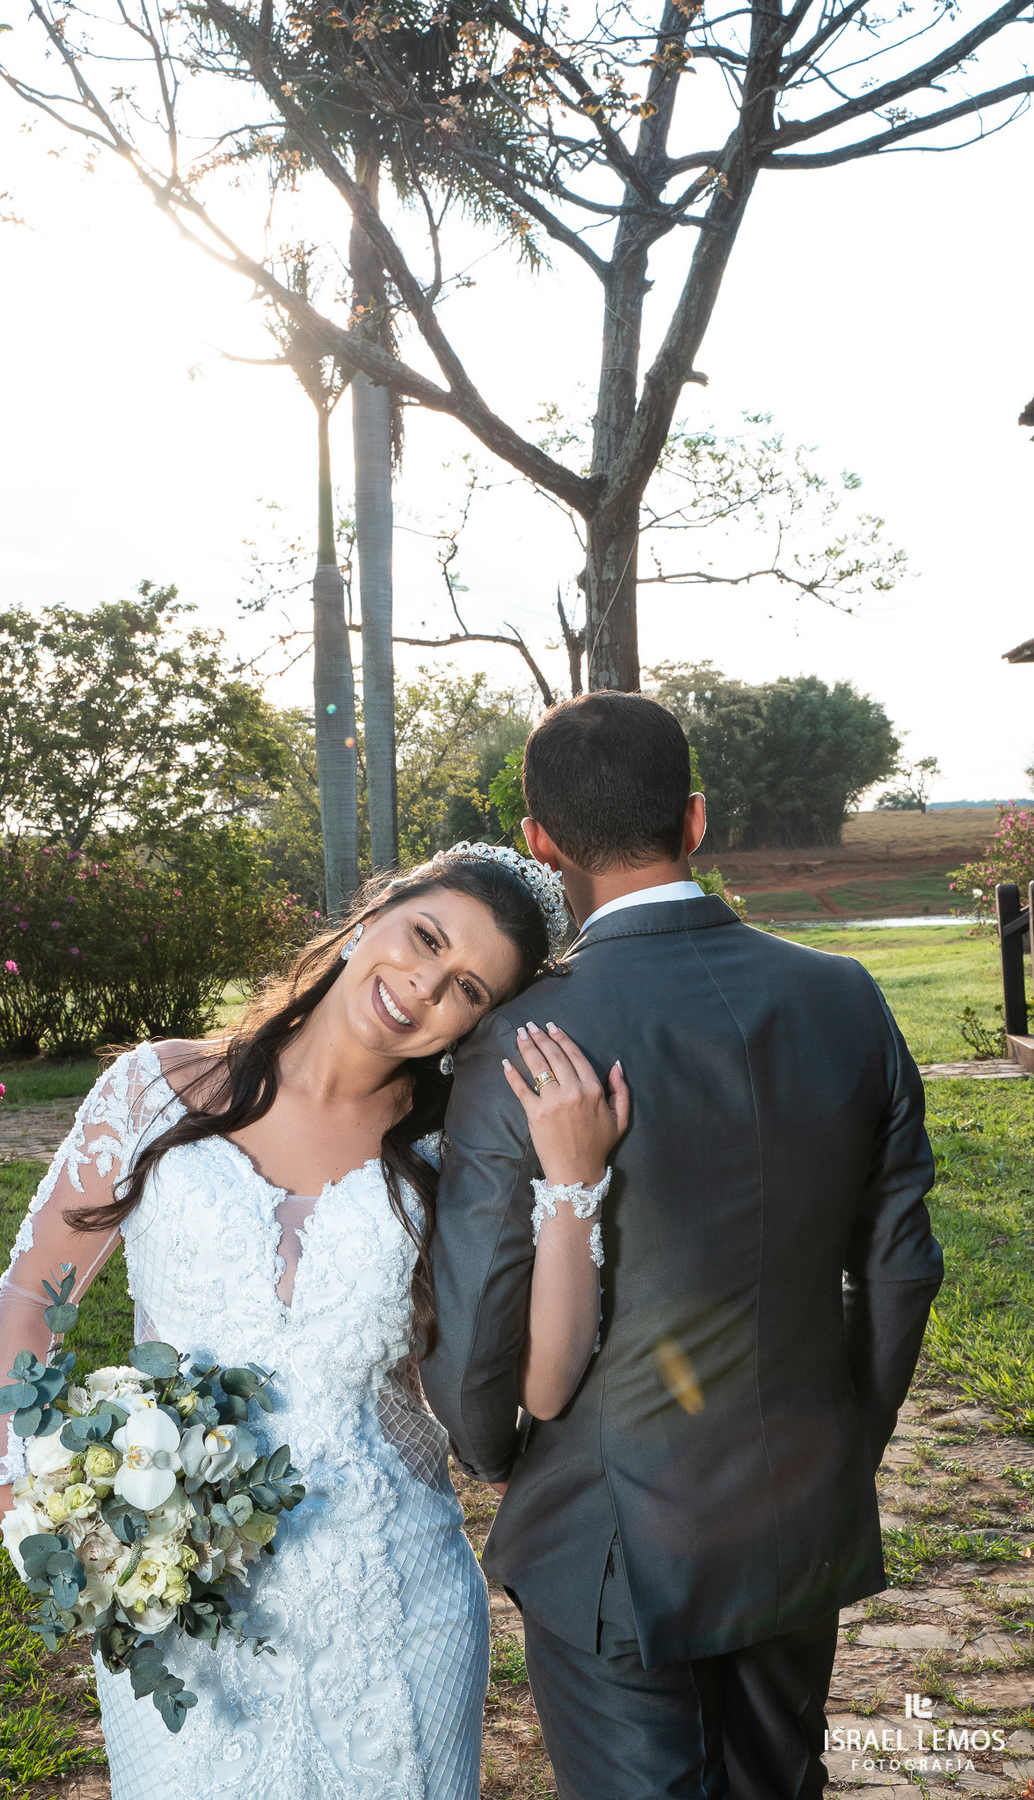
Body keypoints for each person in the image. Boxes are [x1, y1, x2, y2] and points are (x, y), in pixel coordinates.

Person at [0, 845, 627, 1800]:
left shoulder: (455, 1155)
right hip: (182, 1593)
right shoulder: (156, 1088)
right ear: (373, 916)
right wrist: (9, 1476)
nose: (420, 986)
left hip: (393, 1596)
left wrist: (573, 1185)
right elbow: (38, 1293)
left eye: (465, 989)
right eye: (424, 937)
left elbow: (544, 1381)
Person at [422, 692, 944, 1800]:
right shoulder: (845, 996)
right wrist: (841, 1443)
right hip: (797, 1513)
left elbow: (480, 1324)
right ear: (696, 821)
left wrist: (501, 1454)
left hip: (610, 1536)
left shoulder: (519, 1039)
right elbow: (902, 1264)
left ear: (541, 841)